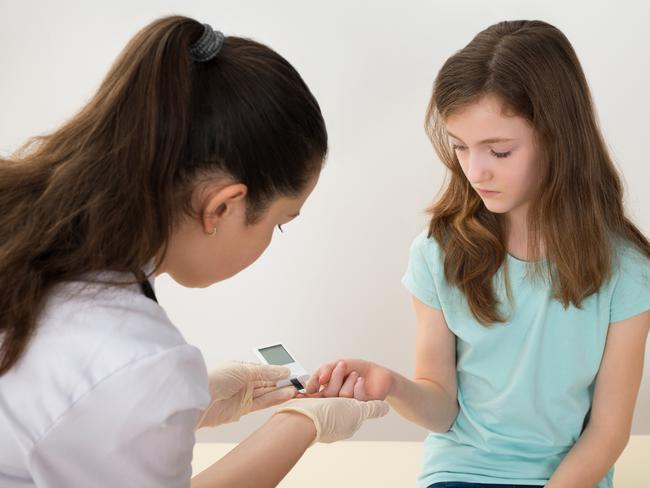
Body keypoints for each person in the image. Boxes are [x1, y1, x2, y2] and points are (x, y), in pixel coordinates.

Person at [0, 16, 388, 488]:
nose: (272, 239)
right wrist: (301, 424)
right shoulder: (130, 360)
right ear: (222, 207)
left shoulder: (24, 229)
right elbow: (95, 392)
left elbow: (56, 415)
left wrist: (192, 404)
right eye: (279, 224)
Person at [304, 20, 650, 488]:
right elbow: (443, 408)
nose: (475, 171)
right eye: (461, 148)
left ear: (560, 138)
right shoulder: (439, 253)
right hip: (460, 472)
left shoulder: (627, 269)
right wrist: (391, 384)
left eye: (499, 151)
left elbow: (607, 434)